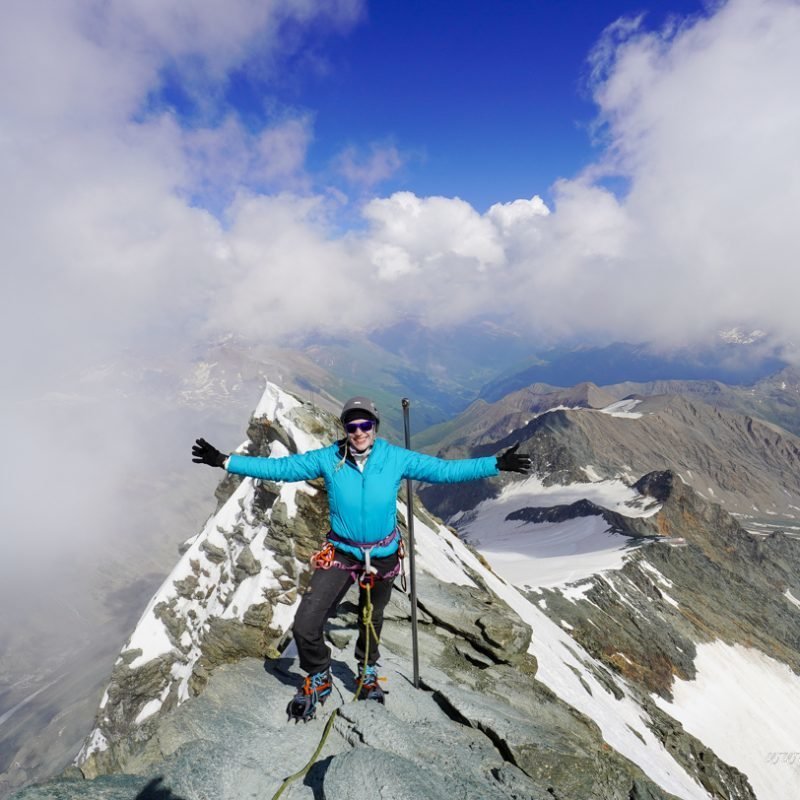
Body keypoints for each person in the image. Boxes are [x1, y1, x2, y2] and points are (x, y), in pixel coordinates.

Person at [192, 395, 531, 721]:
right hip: (341, 552)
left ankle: (368, 669)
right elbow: (283, 468)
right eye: (351, 426)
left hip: (382, 555)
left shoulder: (395, 458)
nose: (358, 432)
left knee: (372, 616)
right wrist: (226, 461)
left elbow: (443, 471)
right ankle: (319, 674)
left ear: (375, 426)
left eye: (364, 425)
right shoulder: (329, 458)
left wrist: (496, 464)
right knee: (306, 623)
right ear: (344, 428)